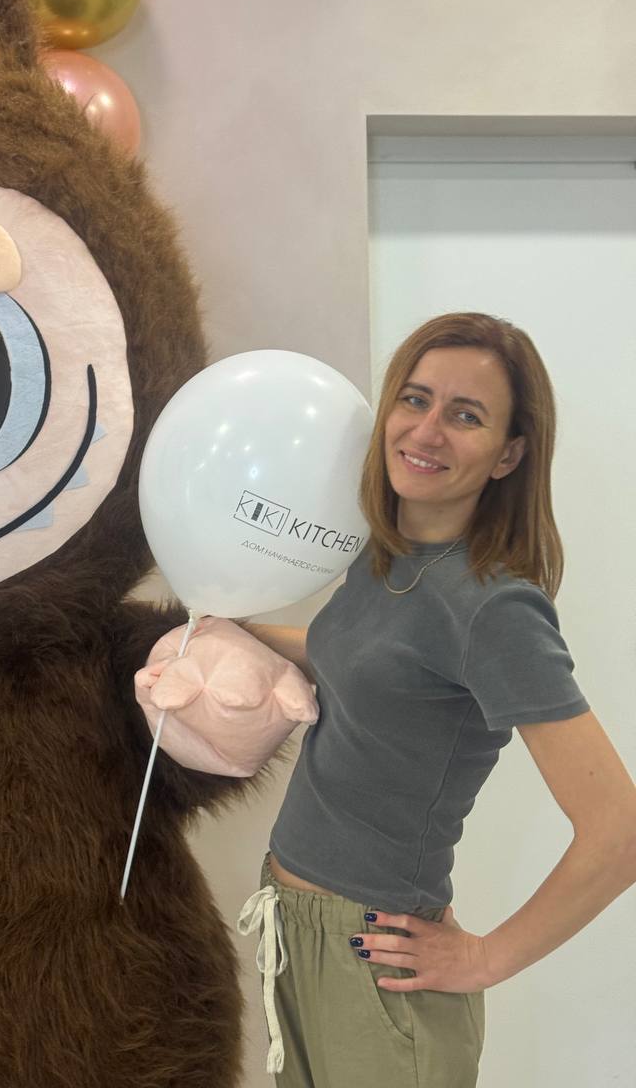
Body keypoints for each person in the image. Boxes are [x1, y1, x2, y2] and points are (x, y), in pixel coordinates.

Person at [216, 312, 636, 1087]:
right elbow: (365, 662)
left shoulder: (494, 608)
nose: (428, 430)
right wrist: (223, 628)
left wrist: (487, 958)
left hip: (378, 964)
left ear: (509, 454)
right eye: (416, 399)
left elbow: (621, 830)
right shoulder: (388, 558)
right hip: (296, 928)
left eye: (466, 415)